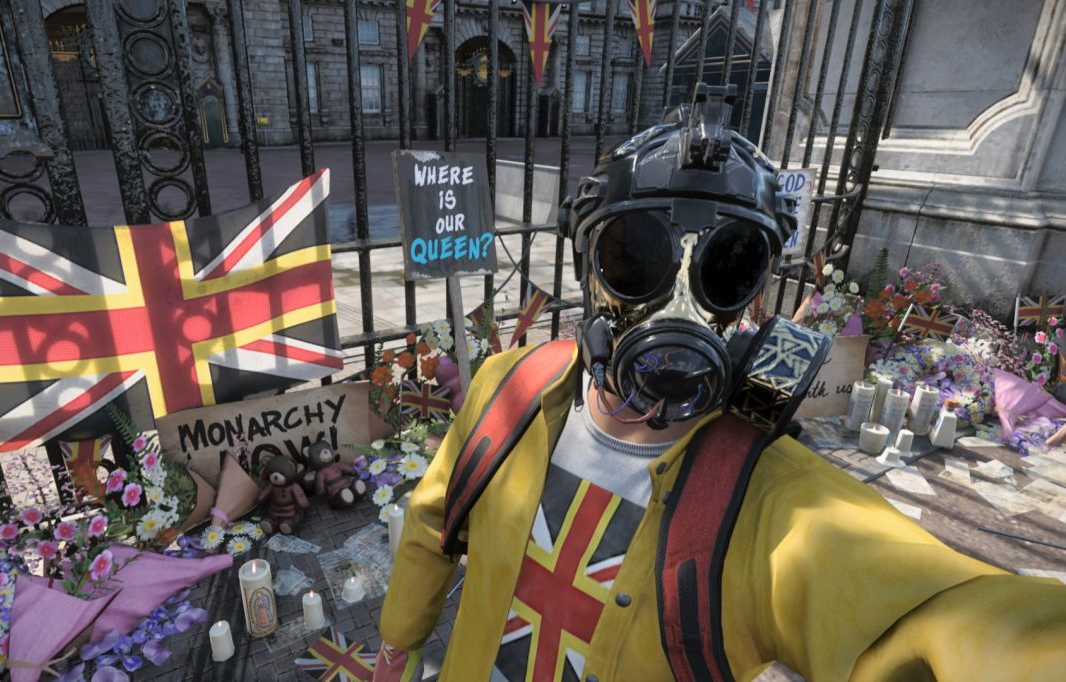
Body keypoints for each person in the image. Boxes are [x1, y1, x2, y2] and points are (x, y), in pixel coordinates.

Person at [373, 84, 1066, 682]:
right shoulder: (511, 386)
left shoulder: (774, 498)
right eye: (634, 256)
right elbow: (434, 520)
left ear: (754, 296)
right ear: (588, 266)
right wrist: (397, 639)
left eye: (726, 268)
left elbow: (935, 613)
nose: (677, 306)